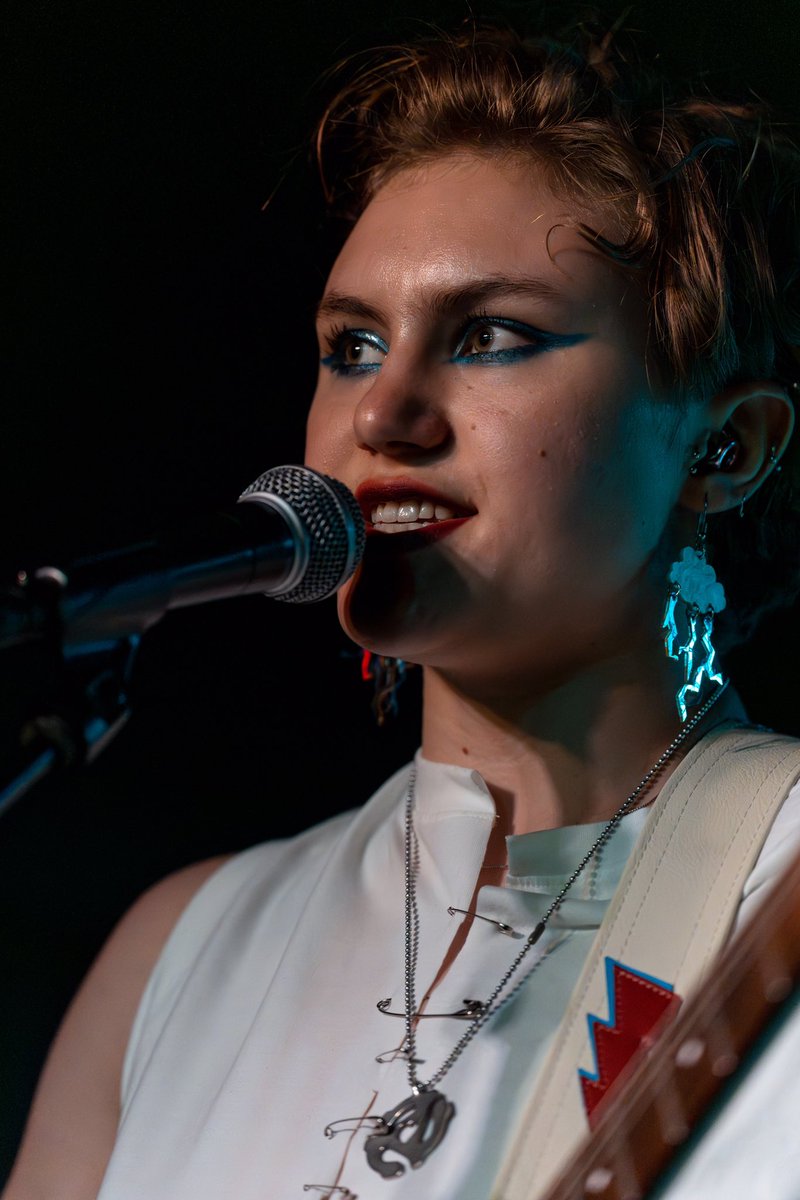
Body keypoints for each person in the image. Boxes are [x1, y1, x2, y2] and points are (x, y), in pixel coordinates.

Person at [5, 14, 800, 1200]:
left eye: (490, 336)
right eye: (352, 345)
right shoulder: (179, 952)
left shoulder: (776, 874)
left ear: (722, 447)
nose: (384, 414)